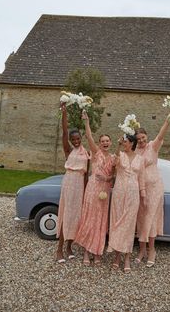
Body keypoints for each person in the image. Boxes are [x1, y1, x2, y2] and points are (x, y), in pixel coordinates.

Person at [135, 111, 170, 267]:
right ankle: (142, 250)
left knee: (150, 219)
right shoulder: (135, 151)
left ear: (146, 136)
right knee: (141, 219)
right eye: (138, 139)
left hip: (155, 188)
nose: (141, 141)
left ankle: (152, 250)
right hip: (141, 189)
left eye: (143, 137)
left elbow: (161, 134)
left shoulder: (153, 146)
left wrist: (168, 119)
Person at [75, 111, 115, 265]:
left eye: (107, 141)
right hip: (92, 190)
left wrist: (107, 178)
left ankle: (97, 252)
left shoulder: (113, 158)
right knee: (90, 219)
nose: (105, 143)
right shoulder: (96, 153)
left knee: (100, 221)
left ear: (110, 143)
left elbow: (114, 176)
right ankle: (86, 251)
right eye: (103, 141)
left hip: (104, 191)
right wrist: (86, 121)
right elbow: (89, 136)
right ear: (99, 143)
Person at [107, 134, 146, 273]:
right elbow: (113, 163)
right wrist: (117, 146)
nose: (124, 143)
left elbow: (141, 178)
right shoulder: (121, 155)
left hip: (133, 195)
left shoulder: (140, 159)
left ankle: (127, 257)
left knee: (129, 226)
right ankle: (117, 257)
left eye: (126, 141)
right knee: (117, 223)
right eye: (123, 141)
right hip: (119, 193)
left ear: (132, 143)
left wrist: (144, 195)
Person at [56, 104, 89, 263]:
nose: (76, 141)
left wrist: (86, 193)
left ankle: (69, 247)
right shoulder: (68, 150)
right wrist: (64, 113)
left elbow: (86, 175)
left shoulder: (86, 153)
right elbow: (64, 131)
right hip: (69, 183)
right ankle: (59, 250)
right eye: (73, 139)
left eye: (78, 139)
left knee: (75, 217)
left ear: (81, 139)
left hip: (80, 186)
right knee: (66, 215)